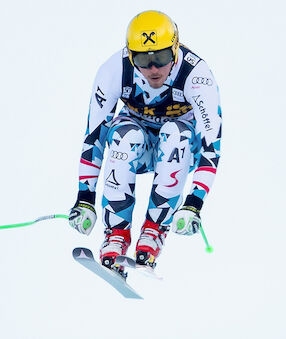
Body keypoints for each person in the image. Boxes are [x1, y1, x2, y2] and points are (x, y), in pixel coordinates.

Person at [68, 10, 221, 277]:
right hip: (136, 146)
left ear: (175, 48)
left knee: (176, 133)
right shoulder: (113, 70)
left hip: (181, 148)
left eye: (161, 58)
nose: (153, 69)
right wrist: (85, 200)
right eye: (142, 59)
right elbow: (93, 138)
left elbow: (212, 145)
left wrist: (194, 203)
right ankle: (115, 233)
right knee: (124, 134)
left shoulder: (197, 76)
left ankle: (153, 231)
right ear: (130, 55)